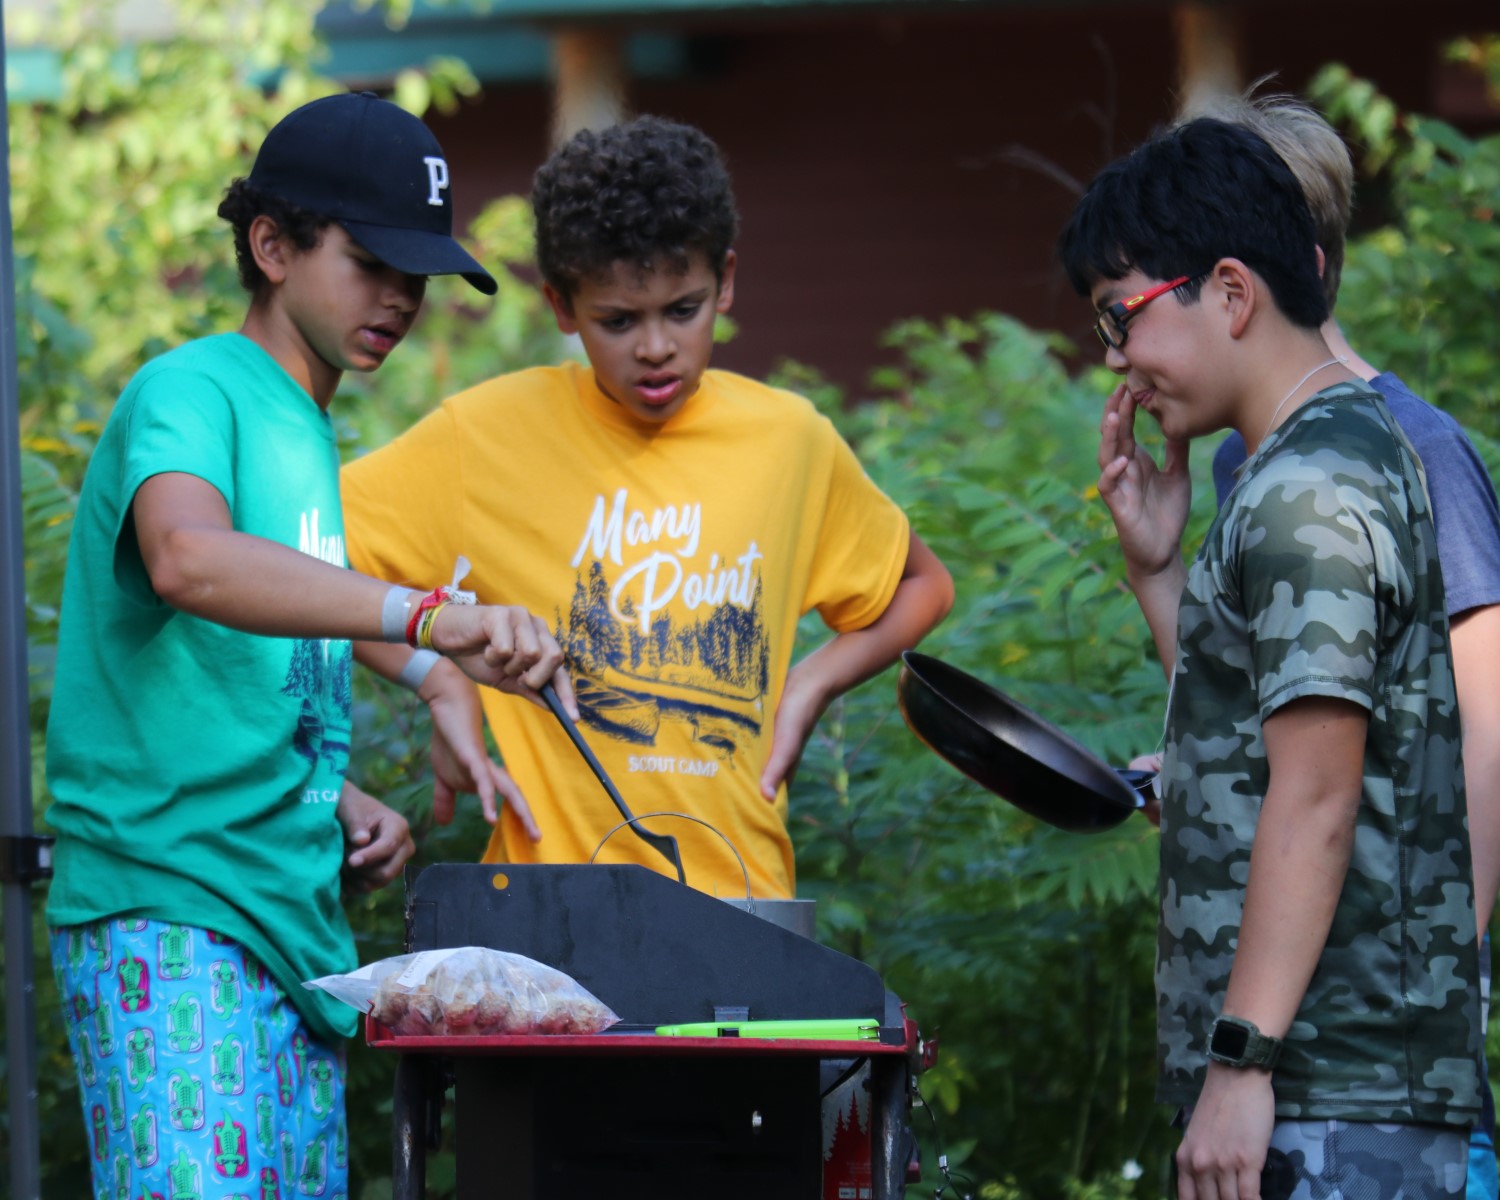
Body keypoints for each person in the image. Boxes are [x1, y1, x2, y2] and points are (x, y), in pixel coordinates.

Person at [44, 92, 573, 1199]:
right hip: (176, 911)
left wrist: (349, 770)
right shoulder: (193, 389)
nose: (400, 298)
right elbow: (188, 559)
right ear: (270, 245)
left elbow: (236, 658)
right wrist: (433, 625)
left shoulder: (303, 430)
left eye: (418, 275)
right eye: (372, 260)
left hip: (295, 940)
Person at [341, 115, 954, 900]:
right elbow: (306, 557)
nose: (656, 347)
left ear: (725, 280)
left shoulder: (790, 442)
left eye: (684, 308)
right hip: (546, 915)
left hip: (743, 901)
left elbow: (922, 585)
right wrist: (437, 675)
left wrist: (811, 684)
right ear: (562, 305)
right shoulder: (484, 437)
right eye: (618, 321)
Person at [1058, 117, 1483, 1200]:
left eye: (1124, 316)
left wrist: (1241, 1063)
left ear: (1233, 293)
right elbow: (1259, 744)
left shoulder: (1307, 491)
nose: (1116, 361)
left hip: (1326, 1086)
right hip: (1334, 1079)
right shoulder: (1326, 454)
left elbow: (1316, 796)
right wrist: (1160, 569)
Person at [1196, 90, 1500, 1200]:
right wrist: (1148, 571)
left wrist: (1437, 971)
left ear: (1291, 263)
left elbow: (1484, 737)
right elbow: (1257, 707)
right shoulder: (1243, 463)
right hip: (1280, 1005)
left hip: (1384, 1034)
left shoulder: (1415, 450)